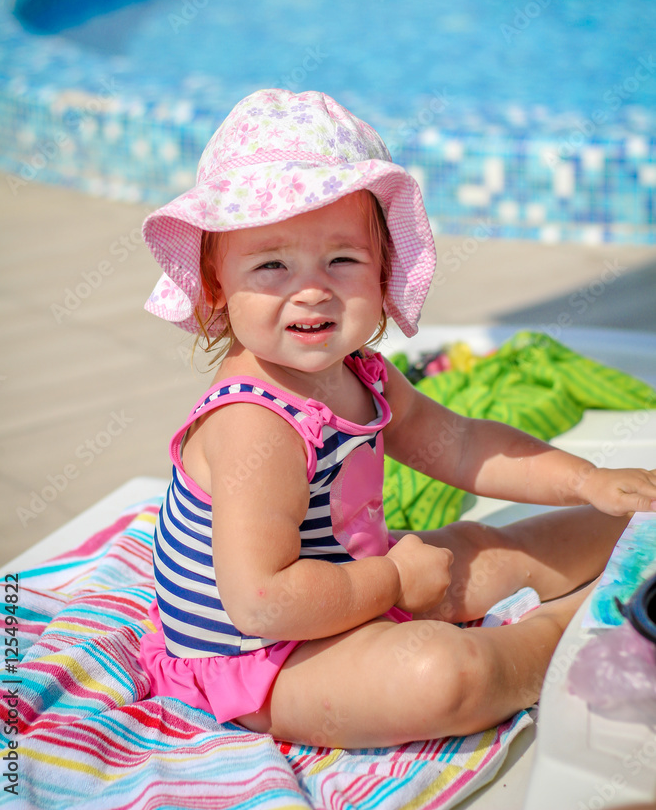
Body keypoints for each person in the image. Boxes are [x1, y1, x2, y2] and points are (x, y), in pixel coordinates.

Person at [139, 89, 656, 750]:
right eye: (272, 264)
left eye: (342, 259)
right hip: (263, 658)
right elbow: (262, 602)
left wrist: (587, 481)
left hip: (353, 583)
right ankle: (576, 628)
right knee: (441, 677)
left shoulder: (361, 373)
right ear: (215, 286)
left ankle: (634, 540)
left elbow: (461, 445)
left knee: (495, 545)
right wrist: (392, 581)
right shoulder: (255, 424)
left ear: (382, 271)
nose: (312, 289)